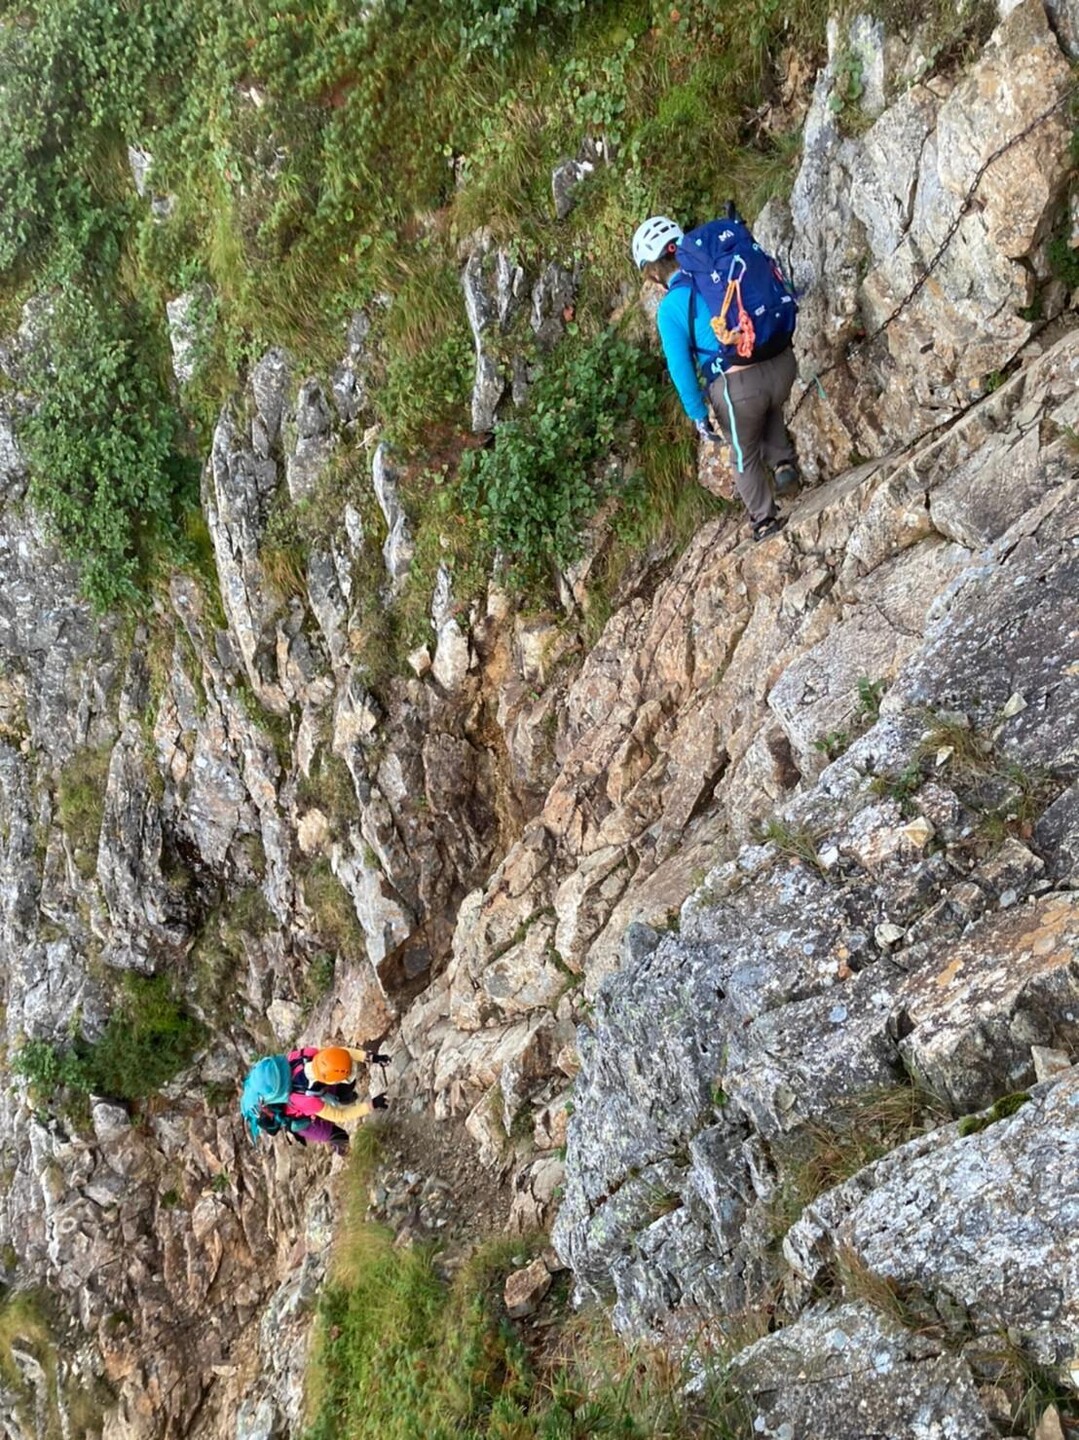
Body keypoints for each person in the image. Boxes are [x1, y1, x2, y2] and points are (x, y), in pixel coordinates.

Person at [631, 213, 800, 542]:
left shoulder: (670, 309)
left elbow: (682, 372)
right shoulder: (720, 273)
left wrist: (698, 416)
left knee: (742, 448)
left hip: (740, 388)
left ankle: (764, 520)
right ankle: (783, 465)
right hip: (783, 363)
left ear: (653, 273)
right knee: (764, 404)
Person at [241, 1043, 390, 1155]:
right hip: (302, 1121)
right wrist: (371, 1105)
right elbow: (340, 1115)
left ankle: (340, 1096)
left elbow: (340, 1054)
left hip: (316, 1088)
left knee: (344, 1092)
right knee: (339, 1136)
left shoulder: (309, 1055)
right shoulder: (305, 1100)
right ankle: (356, 1160)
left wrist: (371, 1057)